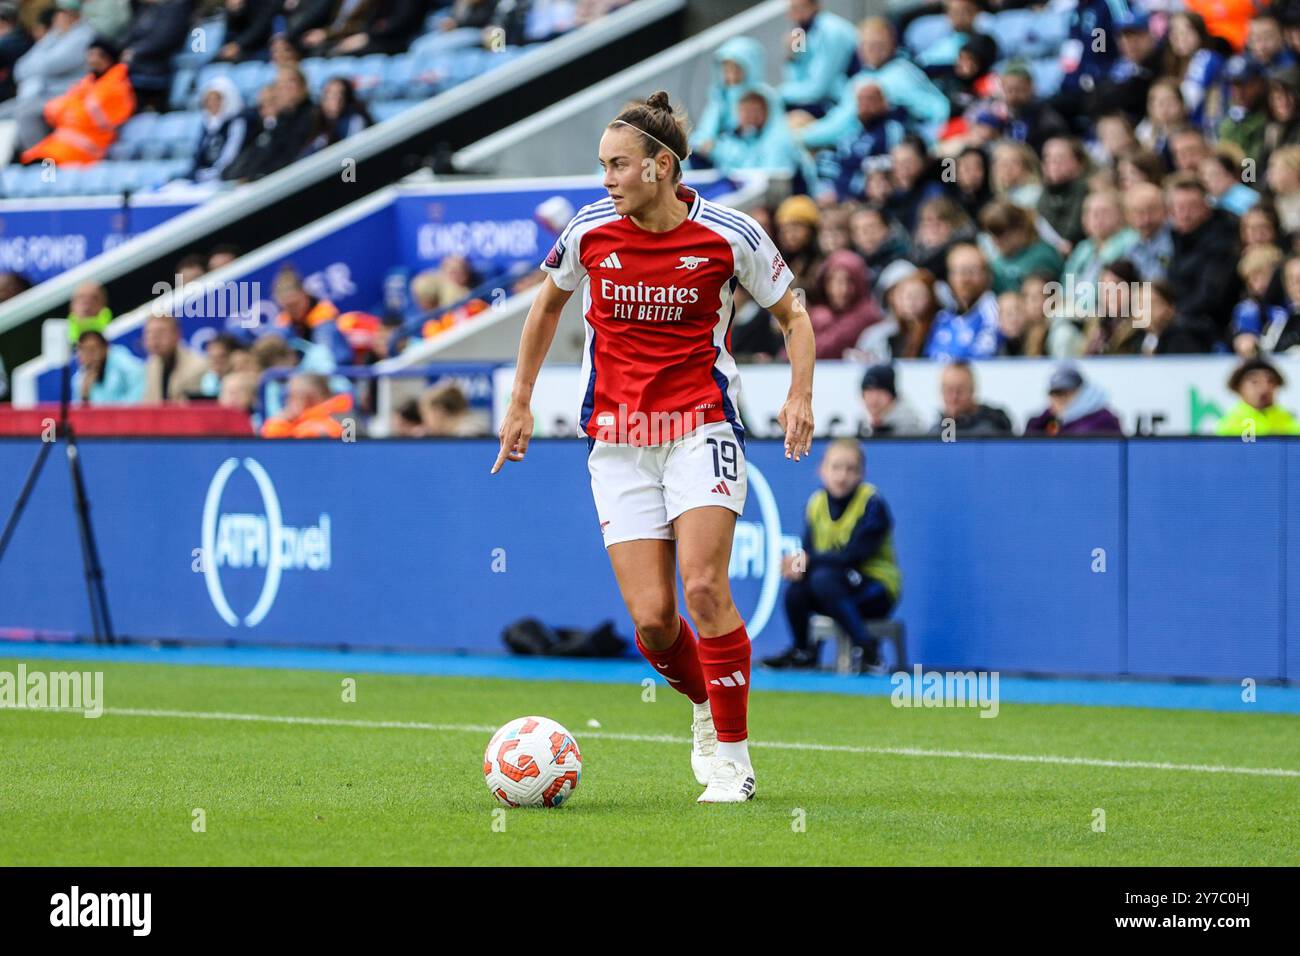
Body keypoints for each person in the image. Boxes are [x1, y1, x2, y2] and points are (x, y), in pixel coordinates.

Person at [492, 90, 816, 804]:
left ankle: (733, 760)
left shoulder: (729, 234)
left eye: (617, 166)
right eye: (602, 166)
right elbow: (545, 306)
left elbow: (794, 315)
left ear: (661, 166)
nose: (605, 180)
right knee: (653, 621)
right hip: (616, 442)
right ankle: (705, 704)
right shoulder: (588, 231)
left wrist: (800, 394)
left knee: (704, 587)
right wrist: (519, 402)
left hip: (700, 427)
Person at [760, 439, 902, 672]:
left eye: (850, 469)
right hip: (833, 588)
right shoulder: (816, 503)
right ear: (822, 470)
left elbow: (854, 556)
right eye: (836, 468)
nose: (842, 476)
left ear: (862, 473)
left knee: (822, 578)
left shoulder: (872, 503)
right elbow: (809, 551)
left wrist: (808, 561)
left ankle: (868, 651)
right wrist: (797, 566)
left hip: (876, 589)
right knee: (797, 590)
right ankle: (802, 651)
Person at [20, 36, 134, 166]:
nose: (94, 60)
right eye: (91, 54)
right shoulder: (88, 82)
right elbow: (59, 109)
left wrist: (72, 109)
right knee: (31, 163)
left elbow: (89, 117)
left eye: (100, 55)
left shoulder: (117, 85)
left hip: (87, 149)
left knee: (46, 172)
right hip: (61, 144)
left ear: (110, 58)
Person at [1024, 365, 1123, 435]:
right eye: (1054, 395)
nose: (1057, 401)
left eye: (1063, 394)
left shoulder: (1102, 420)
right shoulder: (1057, 420)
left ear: (1082, 393)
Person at [1214, 357, 1300, 435]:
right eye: (1254, 382)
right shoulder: (1230, 424)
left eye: (1270, 381)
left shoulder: (1287, 419)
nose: (1264, 388)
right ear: (1238, 387)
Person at [929, 360, 1013, 436]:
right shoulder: (934, 433)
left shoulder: (993, 428)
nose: (954, 397)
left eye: (960, 390)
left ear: (972, 390)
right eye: (948, 390)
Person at [260, 372, 354, 438]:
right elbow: (273, 448)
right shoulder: (294, 421)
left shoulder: (344, 415)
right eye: (289, 396)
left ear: (314, 395)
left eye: (296, 395)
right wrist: (281, 421)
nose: (289, 401)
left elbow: (350, 445)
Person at [142, 313, 207, 401]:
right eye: (149, 332)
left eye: (160, 332)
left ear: (177, 334)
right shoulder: (152, 363)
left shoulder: (198, 366)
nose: (154, 338)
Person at [72, 329, 144, 404]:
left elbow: (139, 379)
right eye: (83, 350)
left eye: (93, 349)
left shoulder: (120, 359)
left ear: (105, 348)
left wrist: (119, 411)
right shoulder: (78, 379)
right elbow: (78, 411)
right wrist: (85, 396)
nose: (89, 355)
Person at [858, 362, 924, 436]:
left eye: (880, 393)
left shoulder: (910, 429)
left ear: (892, 397)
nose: (874, 400)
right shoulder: (863, 426)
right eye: (869, 393)